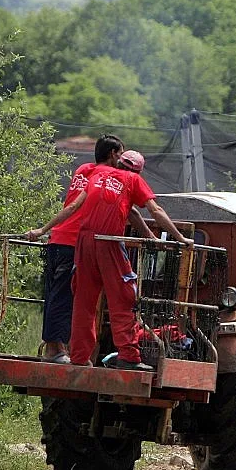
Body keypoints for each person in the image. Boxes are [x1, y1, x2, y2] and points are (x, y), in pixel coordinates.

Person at [69, 150, 194, 370]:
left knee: (84, 302)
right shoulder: (133, 179)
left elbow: (131, 213)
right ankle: (128, 356)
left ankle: (79, 357)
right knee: (124, 298)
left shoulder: (99, 176)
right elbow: (155, 210)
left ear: (118, 163)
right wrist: (180, 238)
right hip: (109, 242)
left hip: (84, 242)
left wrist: (149, 236)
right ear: (138, 170)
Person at [24, 135, 127, 364]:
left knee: (53, 296)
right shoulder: (103, 176)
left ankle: (56, 346)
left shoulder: (83, 169)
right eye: (120, 155)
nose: (122, 160)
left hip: (57, 240)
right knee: (66, 298)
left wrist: (44, 230)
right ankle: (55, 350)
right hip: (73, 243)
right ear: (112, 155)